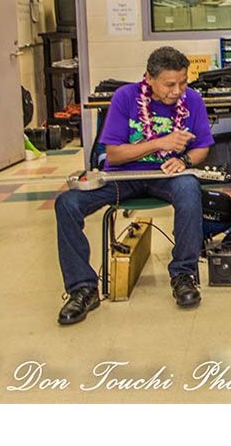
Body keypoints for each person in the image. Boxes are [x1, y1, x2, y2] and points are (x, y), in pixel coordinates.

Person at [55, 46, 214, 325]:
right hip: (122, 177)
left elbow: (202, 147)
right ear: (149, 79)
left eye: (183, 82)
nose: (178, 91)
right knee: (67, 204)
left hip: (166, 176)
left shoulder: (193, 100)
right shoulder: (125, 97)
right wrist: (160, 143)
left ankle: (183, 275)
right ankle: (82, 289)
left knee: (189, 189)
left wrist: (185, 160)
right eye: (169, 84)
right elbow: (114, 155)